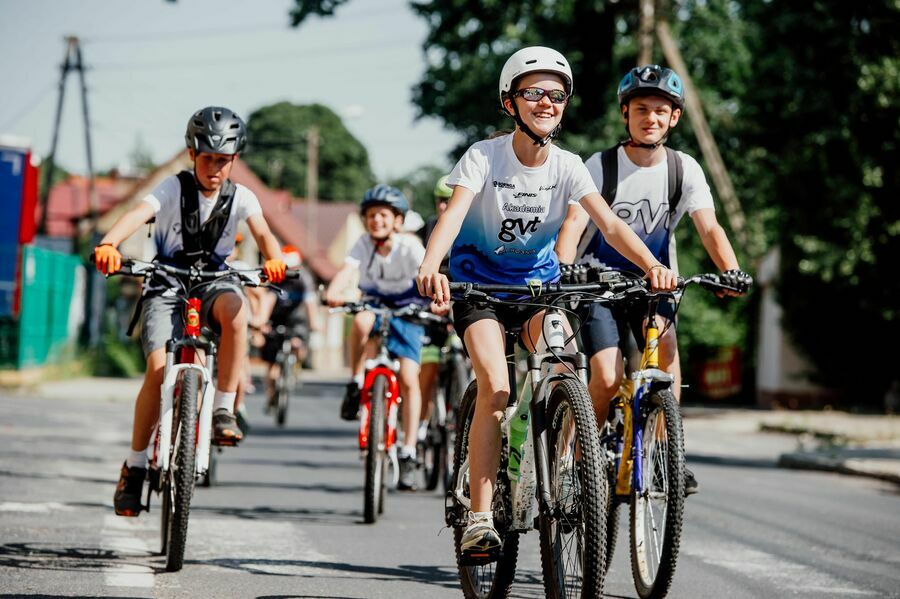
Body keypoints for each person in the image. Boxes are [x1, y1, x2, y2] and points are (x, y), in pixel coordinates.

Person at [416, 46, 677, 561]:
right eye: (533, 92)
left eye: (556, 95)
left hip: (539, 290)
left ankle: (558, 469)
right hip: (480, 290)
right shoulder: (483, 157)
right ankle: (482, 516)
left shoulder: (568, 165)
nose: (546, 102)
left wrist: (651, 265)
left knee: (565, 369)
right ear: (510, 103)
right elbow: (454, 214)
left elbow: (611, 225)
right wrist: (431, 262)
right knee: (496, 385)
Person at [556, 65, 753, 495]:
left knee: (665, 359)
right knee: (605, 378)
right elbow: (573, 224)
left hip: (656, 284)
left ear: (674, 118)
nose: (651, 118)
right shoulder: (601, 165)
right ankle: (572, 457)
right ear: (625, 113)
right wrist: (564, 267)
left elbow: (710, 228)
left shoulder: (684, 169)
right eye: (641, 109)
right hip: (598, 284)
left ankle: (666, 457)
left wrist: (730, 270)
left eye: (661, 111)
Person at [94, 106, 287, 516]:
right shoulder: (171, 188)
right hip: (165, 280)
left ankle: (223, 409)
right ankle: (136, 465)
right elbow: (135, 215)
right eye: (208, 158)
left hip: (214, 280)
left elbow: (265, 235)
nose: (215, 168)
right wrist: (109, 244)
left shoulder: (243, 197)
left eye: (224, 160)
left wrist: (274, 261)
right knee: (159, 370)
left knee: (237, 309)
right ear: (191, 154)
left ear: (234, 159)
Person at [325, 184, 430, 491]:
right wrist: (333, 291)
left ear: (397, 220)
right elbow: (347, 270)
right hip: (374, 301)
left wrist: (436, 299)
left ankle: (409, 450)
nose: (376, 221)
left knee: (410, 378)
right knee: (360, 321)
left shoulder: (410, 246)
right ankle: (356, 381)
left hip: (409, 307)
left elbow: (427, 271)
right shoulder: (363, 244)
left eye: (383, 215)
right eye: (371, 215)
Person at [258, 245, 319, 410]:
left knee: (298, 344)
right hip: (276, 319)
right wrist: (262, 321)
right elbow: (268, 300)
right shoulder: (277, 278)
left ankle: (294, 367)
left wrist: (314, 323)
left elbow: (310, 302)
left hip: (296, 320)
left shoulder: (304, 279)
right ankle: (271, 393)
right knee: (271, 363)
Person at [417, 175, 453, 438]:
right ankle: (420, 425)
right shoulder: (428, 228)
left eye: (450, 201)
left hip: (464, 301)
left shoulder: (473, 226)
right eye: (441, 200)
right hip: (431, 307)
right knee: (427, 366)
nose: (444, 206)